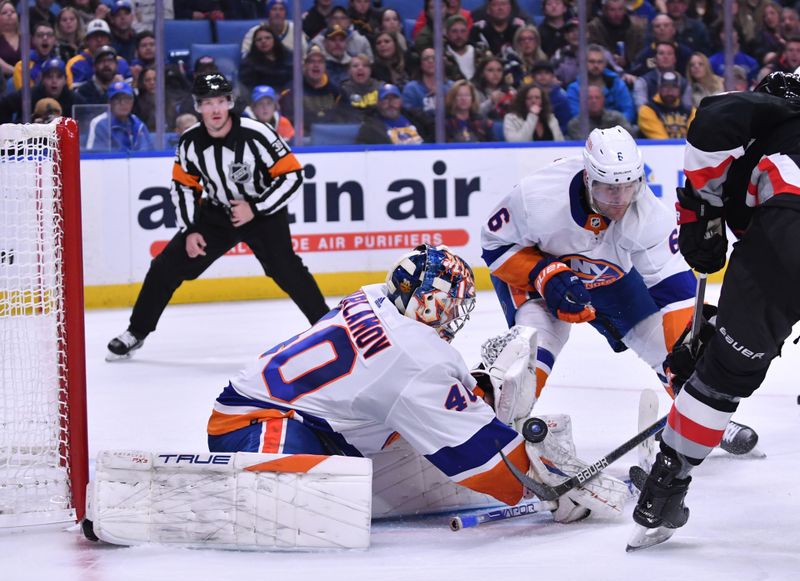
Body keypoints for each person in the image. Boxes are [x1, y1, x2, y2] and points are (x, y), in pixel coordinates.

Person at [207, 243, 629, 523]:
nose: (454, 319)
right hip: (261, 429)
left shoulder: (371, 295)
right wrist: (547, 485)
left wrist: (475, 393)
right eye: (452, 307)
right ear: (429, 304)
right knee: (289, 507)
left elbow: (397, 383)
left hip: (273, 412)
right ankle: (240, 490)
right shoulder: (415, 359)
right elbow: (486, 467)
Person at [480, 125, 753, 454]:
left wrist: (687, 346)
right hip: (537, 272)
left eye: (629, 186)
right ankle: (489, 434)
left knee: (668, 349)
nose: (620, 199)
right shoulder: (536, 196)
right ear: (587, 178)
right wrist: (544, 275)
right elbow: (495, 247)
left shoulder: (648, 216)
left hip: (610, 276)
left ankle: (699, 415)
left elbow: (675, 292)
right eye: (609, 188)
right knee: (536, 343)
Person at [629, 71, 800, 550]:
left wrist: (702, 209)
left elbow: (713, 115)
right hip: (783, 228)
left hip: (786, 226)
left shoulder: (769, 112)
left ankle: (664, 489)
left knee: (722, 374)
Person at [106, 73, 330, 359]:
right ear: (198, 107)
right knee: (165, 267)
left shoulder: (256, 133)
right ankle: (136, 332)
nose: (215, 109)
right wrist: (190, 230)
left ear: (230, 103)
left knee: (287, 269)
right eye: (207, 103)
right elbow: (183, 187)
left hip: (261, 211)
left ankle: (328, 328)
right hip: (217, 213)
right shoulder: (189, 142)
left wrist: (256, 207)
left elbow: (293, 176)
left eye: (220, 101)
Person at [86, 80, 153, 151]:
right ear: (109, 102)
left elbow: (149, 153)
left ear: (132, 102)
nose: (123, 103)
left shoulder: (137, 124)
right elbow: (94, 156)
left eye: (127, 99)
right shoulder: (100, 124)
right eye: (117, 99)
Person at [355, 83, 425, 144]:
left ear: (401, 101)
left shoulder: (417, 119)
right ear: (378, 103)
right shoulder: (370, 128)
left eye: (395, 98)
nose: (390, 102)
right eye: (385, 98)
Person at [637, 70, 696, 139]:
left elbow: (694, 137)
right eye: (665, 87)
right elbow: (661, 140)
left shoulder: (691, 111)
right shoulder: (647, 109)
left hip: (685, 148)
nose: (670, 92)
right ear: (659, 89)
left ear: (679, 90)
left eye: (673, 87)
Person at [566, 84, 636, 139]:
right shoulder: (576, 124)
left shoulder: (617, 118)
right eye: (590, 98)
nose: (594, 101)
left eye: (597, 97)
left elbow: (629, 136)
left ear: (603, 100)